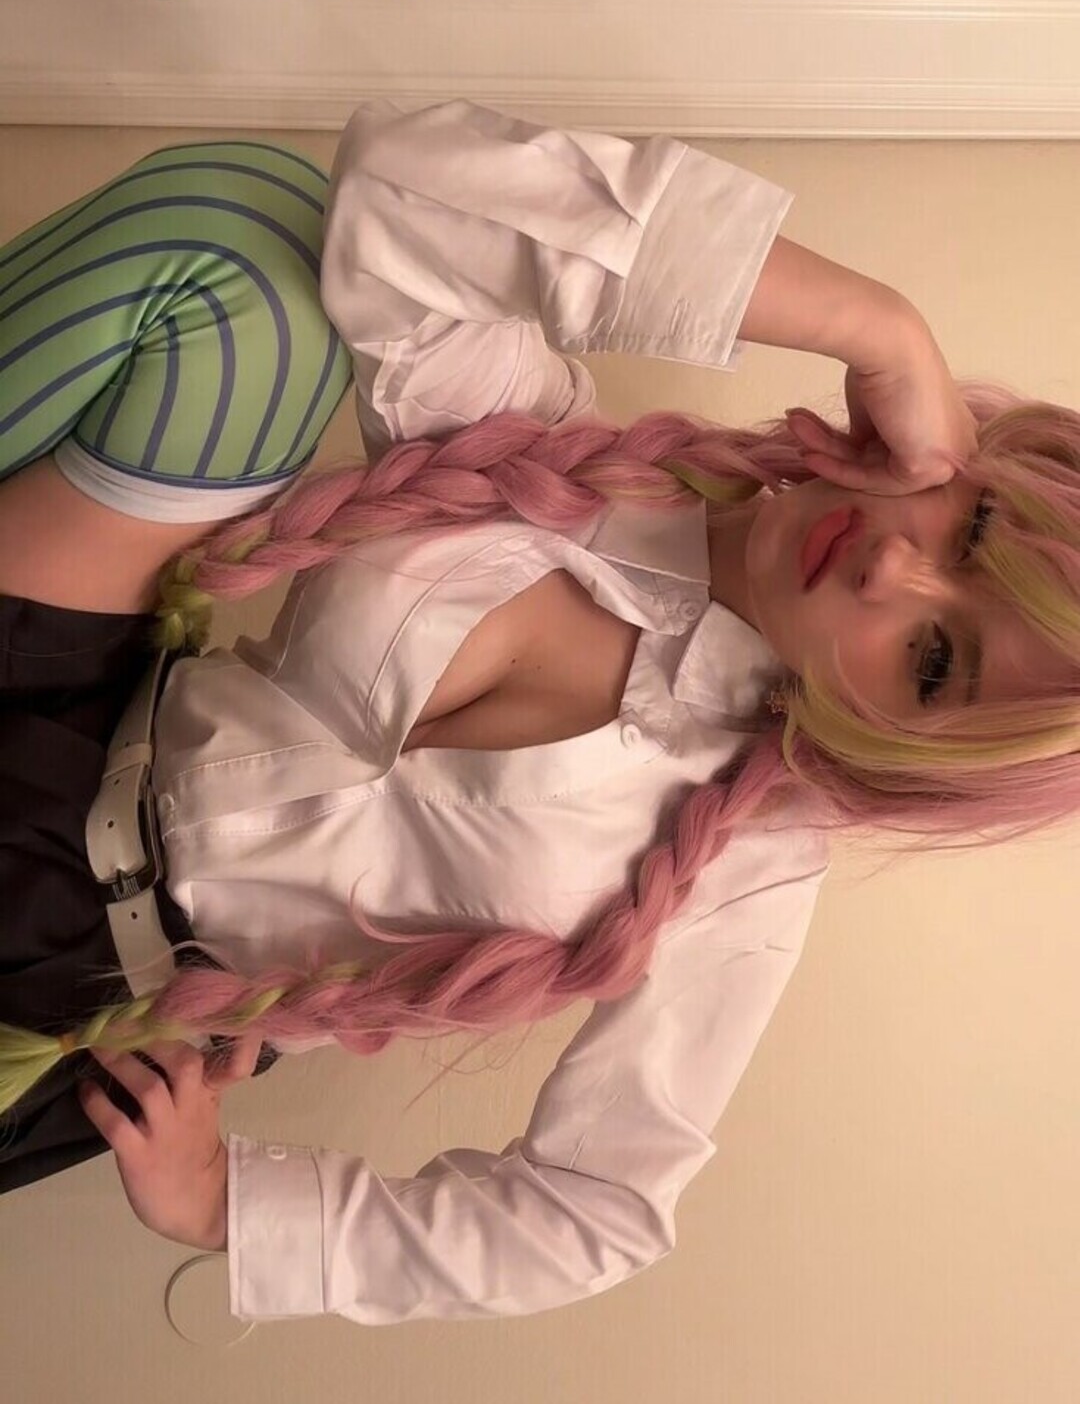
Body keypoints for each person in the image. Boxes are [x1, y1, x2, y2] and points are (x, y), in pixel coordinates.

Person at [0, 99, 1073, 1327]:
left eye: (934, 662)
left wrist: (230, 1208)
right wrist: (878, 327)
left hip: (67, 985)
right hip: (74, 702)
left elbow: (594, 1212)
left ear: (907, 742)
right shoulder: (559, 453)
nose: (896, 570)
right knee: (252, 237)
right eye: (974, 530)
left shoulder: (751, 872)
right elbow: (399, 188)